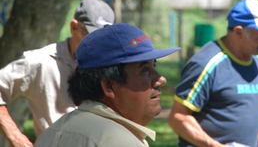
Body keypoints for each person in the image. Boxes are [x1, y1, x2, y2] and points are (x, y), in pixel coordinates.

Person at [34, 23, 180, 147]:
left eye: (153, 66)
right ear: (109, 86)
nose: (161, 79)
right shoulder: (120, 141)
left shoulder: (49, 135)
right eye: (145, 70)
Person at [168, 0, 258, 147]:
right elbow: (178, 117)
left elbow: (247, 115)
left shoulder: (257, 59)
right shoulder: (206, 64)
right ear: (239, 33)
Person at [0, 0, 115, 147]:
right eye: (92, 36)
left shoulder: (112, 65)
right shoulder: (40, 61)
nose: (99, 44)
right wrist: (15, 137)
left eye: (105, 37)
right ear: (74, 27)